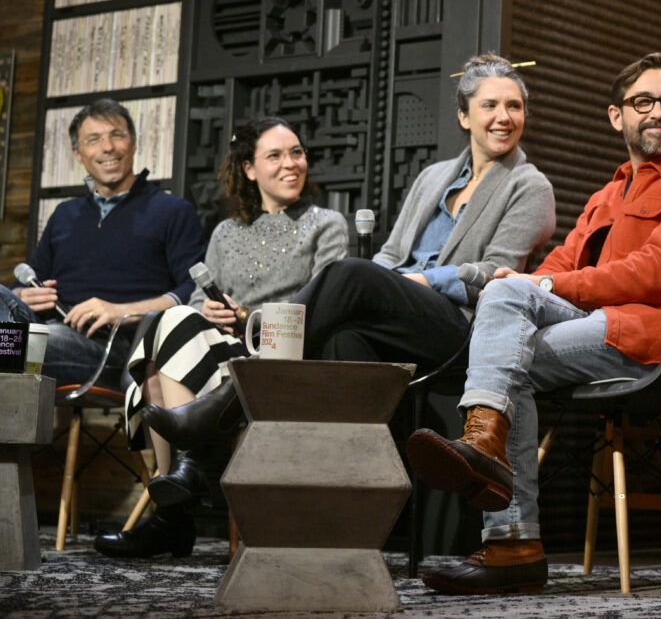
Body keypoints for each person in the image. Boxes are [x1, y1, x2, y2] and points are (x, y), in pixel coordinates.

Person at [138, 52, 556, 490]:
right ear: (464, 116)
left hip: (462, 326)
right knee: (342, 339)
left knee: (352, 272)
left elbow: (494, 274)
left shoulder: (529, 186)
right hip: (405, 316)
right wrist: (389, 282)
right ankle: (350, 496)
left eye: (514, 106)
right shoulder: (434, 177)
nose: (503, 117)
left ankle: (230, 399)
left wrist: (416, 281)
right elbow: (391, 254)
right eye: (490, 105)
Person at [406, 52, 661, 594]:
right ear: (616, 116)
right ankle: (505, 516)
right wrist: (532, 279)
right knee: (505, 334)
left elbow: (658, 272)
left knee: (502, 349)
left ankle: (505, 519)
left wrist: (546, 285)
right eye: (643, 101)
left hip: (652, 335)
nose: (657, 112)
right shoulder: (608, 193)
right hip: (595, 324)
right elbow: (564, 259)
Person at [93, 116, 348, 559]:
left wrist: (246, 315)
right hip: (217, 351)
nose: (290, 164)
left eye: (296, 153)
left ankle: (173, 513)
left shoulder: (327, 224)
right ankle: (183, 480)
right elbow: (195, 302)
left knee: (167, 341)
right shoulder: (226, 233)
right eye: (275, 156)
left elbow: (325, 303)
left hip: (280, 352)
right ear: (249, 169)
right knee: (174, 320)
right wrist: (207, 309)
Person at [0, 98, 206, 388]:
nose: (107, 147)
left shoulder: (172, 210)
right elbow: (27, 278)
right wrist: (23, 294)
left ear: (133, 143)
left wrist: (121, 311)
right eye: (94, 139)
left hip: (115, 347)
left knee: (18, 344)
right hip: (48, 329)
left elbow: (194, 289)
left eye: (117, 135)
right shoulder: (64, 214)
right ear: (78, 153)